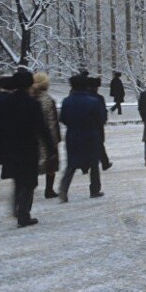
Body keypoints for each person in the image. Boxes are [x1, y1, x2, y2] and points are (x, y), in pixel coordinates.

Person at [0, 71, 49, 228]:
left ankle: (17, 208)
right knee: (29, 181)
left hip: (10, 147)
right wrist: (50, 148)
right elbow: (41, 128)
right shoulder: (32, 104)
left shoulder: (3, 103)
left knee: (18, 178)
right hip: (29, 147)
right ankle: (23, 213)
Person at [59, 74, 106, 202]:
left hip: (73, 135)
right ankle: (94, 189)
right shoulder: (94, 101)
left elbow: (63, 118)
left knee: (72, 164)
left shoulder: (66, 101)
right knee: (94, 164)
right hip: (90, 135)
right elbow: (101, 119)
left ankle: (64, 188)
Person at [30, 73, 61, 198]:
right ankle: (49, 190)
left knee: (33, 163)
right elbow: (52, 122)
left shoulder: (30, 97)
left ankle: (31, 186)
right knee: (50, 164)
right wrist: (54, 141)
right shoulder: (48, 100)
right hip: (46, 137)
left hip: (31, 138)